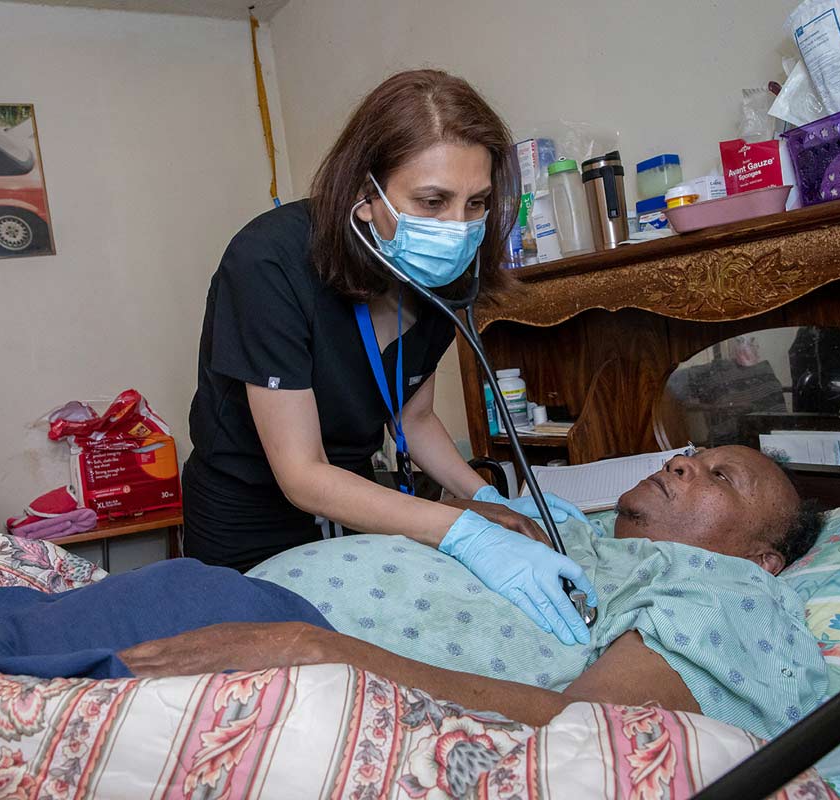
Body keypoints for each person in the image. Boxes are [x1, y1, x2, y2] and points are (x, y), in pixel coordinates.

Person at [0, 446, 828, 740]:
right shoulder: (572, 532)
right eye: (691, 453)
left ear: (765, 557)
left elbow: (594, 735)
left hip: (289, 648)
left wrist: (325, 652)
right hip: (235, 602)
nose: (681, 462)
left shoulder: (722, 593)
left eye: (719, 476)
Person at [183, 69, 593, 642]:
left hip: (357, 499)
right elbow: (301, 474)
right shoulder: (268, 263)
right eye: (432, 201)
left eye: (475, 203)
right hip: (248, 509)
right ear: (365, 194)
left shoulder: (443, 274)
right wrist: (463, 530)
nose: (457, 228)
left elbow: (414, 417)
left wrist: (492, 502)